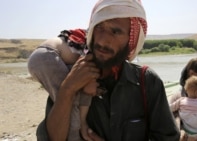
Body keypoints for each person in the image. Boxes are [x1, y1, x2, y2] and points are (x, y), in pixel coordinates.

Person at [30, 0, 180, 141]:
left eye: (115, 32)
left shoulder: (147, 81)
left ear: (132, 39)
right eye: (99, 27)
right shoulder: (72, 74)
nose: (102, 40)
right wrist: (68, 89)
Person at [28, 29, 99, 141]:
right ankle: (74, 137)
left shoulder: (82, 40)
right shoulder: (94, 43)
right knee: (69, 100)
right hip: (48, 57)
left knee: (64, 101)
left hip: (41, 57)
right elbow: (86, 73)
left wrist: (83, 122)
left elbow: (86, 93)